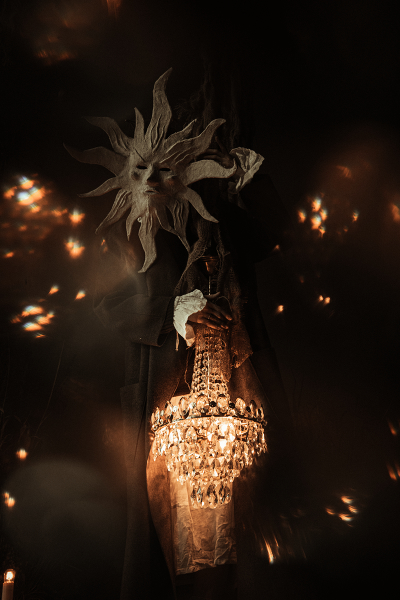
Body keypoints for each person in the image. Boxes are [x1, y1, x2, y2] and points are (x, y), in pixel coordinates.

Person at [66, 68, 290, 600]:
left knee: (247, 518)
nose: (151, 179)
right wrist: (175, 312)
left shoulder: (220, 219)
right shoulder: (124, 234)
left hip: (238, 393)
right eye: (140, 169)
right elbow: (106, 301)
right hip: (164, 397)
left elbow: (269, 234)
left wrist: (245, 170)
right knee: (168, 528)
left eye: (165, 168)